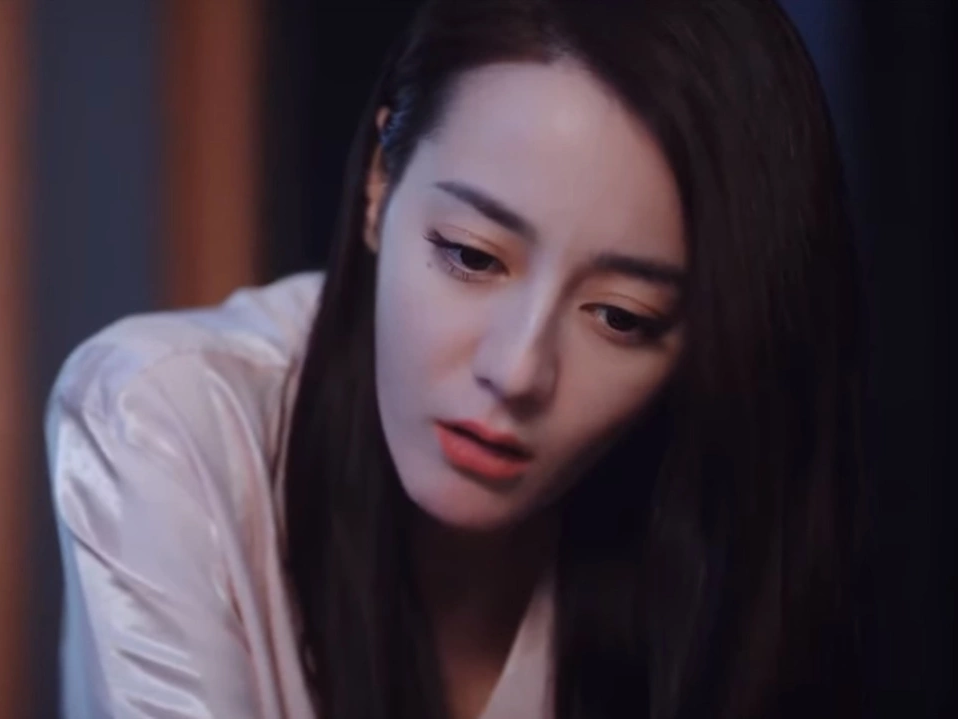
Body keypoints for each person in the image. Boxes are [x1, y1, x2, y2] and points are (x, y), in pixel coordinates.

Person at [46, 0, 867, 717]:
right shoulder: (167, 418)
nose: (517, 371)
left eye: (622, 316)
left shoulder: (714, 547)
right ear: (380, 184)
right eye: (472, 256)